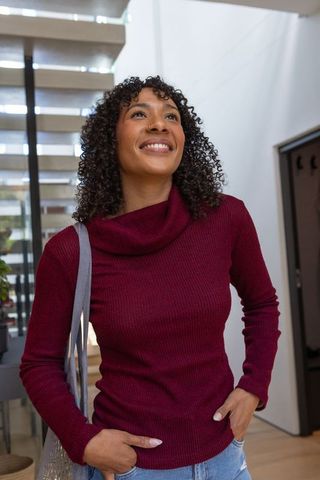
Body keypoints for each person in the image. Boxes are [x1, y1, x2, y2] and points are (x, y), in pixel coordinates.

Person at [20, 76, 280, 480]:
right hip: (131, 469)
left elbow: (262, 303)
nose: (159, 124)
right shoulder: (71, 251)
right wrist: (84, 440)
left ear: (183, 138)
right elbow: (38, 363)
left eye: (171, 116)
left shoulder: (226, 218)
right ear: (111, 139)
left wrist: (254, 385)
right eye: (139, 114)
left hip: (226, 457)